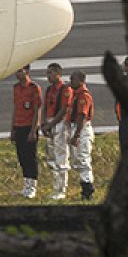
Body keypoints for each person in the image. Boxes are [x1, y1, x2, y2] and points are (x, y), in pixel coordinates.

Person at [40, 62, 73, 201]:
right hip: (49, 122)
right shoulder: (49, 90)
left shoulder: (65, 89)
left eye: (50, 73)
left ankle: (61, 188)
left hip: (60, 123)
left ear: (58, 74)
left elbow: (64, 109)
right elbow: (45, 106)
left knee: (61, 155)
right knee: (51, 156)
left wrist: (51, 124)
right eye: (47, 73)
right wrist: (43, 124)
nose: (48, 76)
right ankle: (55, 185)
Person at [9, 64, 42, 199]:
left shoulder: (34, 88)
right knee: (21, 157)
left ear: (27, 71)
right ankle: (26, 184)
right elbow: (16, 109)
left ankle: (32, 186)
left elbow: (37, 110)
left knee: (30, 157)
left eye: (20, 71)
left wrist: (34, 130)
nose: (18, 74)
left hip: (29, 126)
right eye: (16, 71)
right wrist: (12, 129)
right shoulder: (16, 88)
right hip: (19, 125)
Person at [67, 71, 96, 200]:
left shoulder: (83, 96)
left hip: (82, 130)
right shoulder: (75, 95)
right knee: (77, 159)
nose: (70, 81)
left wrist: (77, 135)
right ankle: (85, 185)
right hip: (77, 128)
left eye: (73, 79)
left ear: (81, 80)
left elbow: (82, 116)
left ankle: (87, 188)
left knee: (83, 159)